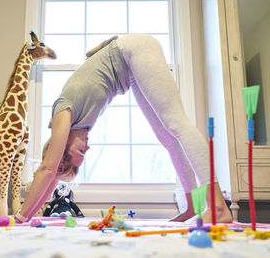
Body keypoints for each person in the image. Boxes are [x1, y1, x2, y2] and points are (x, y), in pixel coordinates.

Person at [14, 34, 232, 224]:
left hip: (134, 50)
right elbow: (54, 177)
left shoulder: (62, 113)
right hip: (130, 70)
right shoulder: (78, 126)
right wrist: (30, 217)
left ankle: (218, 207)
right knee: (167, 136)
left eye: (80, 151)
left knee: (176, 123)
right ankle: (193, 207)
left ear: (63, 146)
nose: (88, 149)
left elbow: (48, 169)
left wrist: (20, 217)